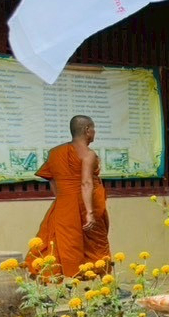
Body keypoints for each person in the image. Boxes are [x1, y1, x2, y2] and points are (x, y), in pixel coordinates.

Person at [25, 114, 110, 277]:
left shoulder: (55, 153)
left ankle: (46, 284)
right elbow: (86, 183)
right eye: (93, 129)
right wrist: (90, 213)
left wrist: (64, 198)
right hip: (86, 205)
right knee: (96, 245)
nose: (94, 132)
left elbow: (51, 179)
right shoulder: (88, 154)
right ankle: (105, 282)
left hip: (63, 205)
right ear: (87, 130)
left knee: (54, 244)